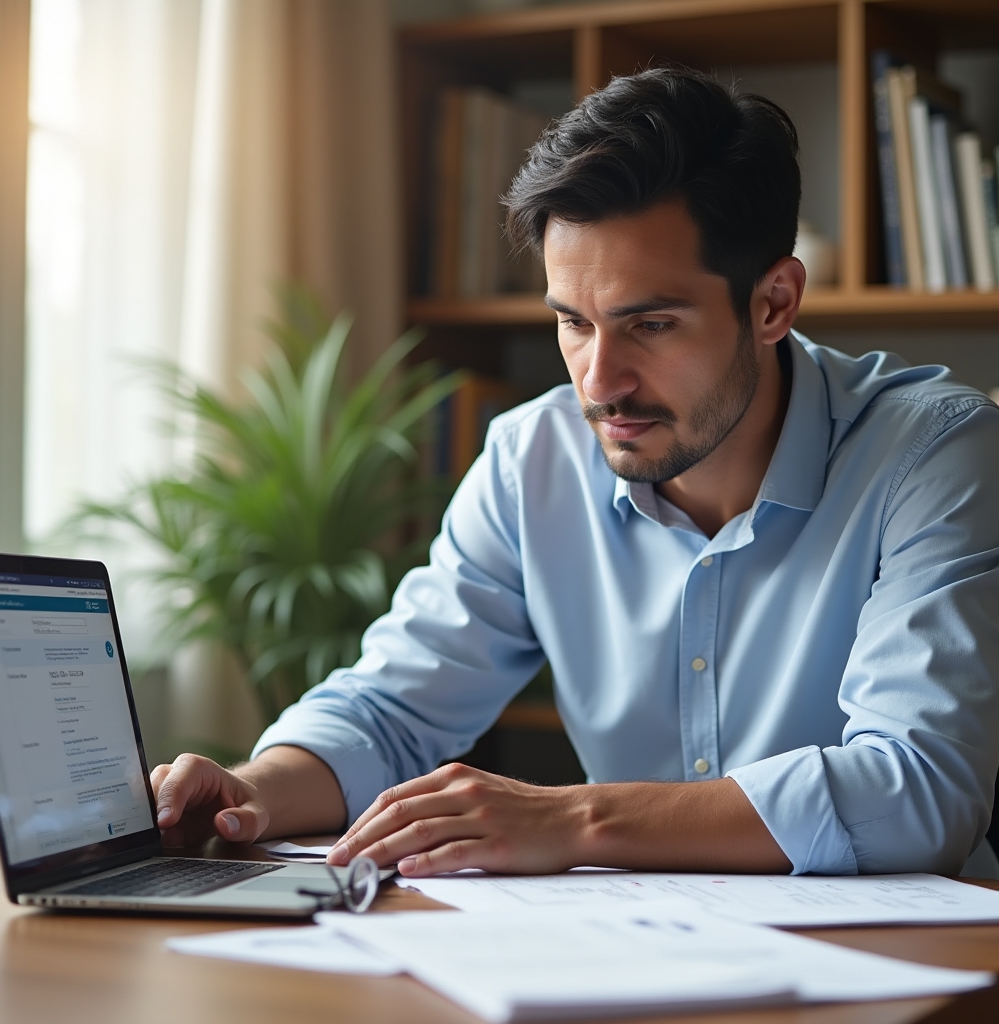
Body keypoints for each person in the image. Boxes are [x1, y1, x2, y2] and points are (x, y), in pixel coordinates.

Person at [151, 67, 999, 879]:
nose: (599, 383)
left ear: (773, 301)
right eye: (574, 323)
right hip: (630, 947)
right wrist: (255, 793)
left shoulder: (934, 454)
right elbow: (392, 709)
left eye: (651, 325)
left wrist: (573, 819)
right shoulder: (533, 460)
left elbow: (919, 789)